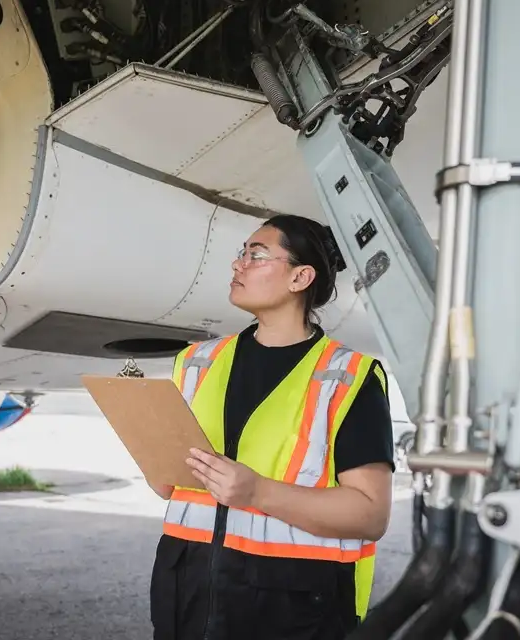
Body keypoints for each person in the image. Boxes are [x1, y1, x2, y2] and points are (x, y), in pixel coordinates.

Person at [147, 214, 396, 640]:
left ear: (300, 277)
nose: (238, 264)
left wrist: (257, 492)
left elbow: (370, 514)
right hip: (188, 602)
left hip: (291, 614)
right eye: (241, 253)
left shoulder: (346, 376)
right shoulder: (196, 363)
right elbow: (168, 488)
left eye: (256, 255)